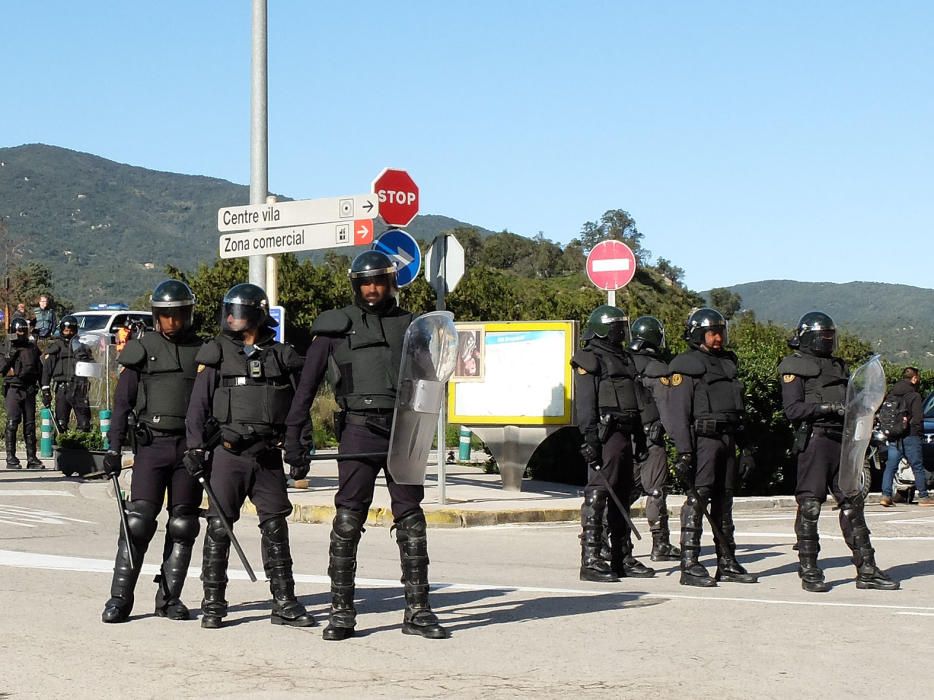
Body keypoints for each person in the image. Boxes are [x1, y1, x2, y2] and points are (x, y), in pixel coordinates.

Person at [284, 250, 448, 640]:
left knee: (411, 517)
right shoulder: (335, 326)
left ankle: (419, 610)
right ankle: (341, 611)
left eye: (378, 281)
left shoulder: (412, 327)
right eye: (364, 283)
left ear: (391, 282)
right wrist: (295, 438)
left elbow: (430, 381)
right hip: (357, 427)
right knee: (348, 517)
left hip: (402, 427)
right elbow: (306, 388)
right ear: (355, 285)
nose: (372, 289)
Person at [184, 283, 314, 629]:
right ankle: (213, 603)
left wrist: (302, 446)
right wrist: (194, 448)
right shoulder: (216, 354)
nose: (231, 317)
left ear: (257, 314)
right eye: (229, 311)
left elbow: (300, 407)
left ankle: (284, 601)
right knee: (219, 527)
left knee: (275, 526)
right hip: (228, 455)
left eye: (238, 311)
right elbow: (197, 407)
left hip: (268, 456)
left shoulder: (281, 354)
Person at [100, 280, 205, 623]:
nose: (172, 323)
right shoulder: (142, 349)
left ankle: (169, 598)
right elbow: (121, 404)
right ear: (157, 316)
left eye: (178, 316)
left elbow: (214, 405)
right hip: (152, 446)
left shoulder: (204, 353)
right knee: (137, 521)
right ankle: (119, 599)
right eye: (166, 316)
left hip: (188, 450)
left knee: (183, 524)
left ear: (188, 314)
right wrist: (113, 447)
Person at [778, 311, 899, 591]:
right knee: (810, 505)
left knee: (853, 505)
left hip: (843, 440)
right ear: (810, 337)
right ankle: (808, 568)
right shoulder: (793, 365)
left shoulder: (838, 366)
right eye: (824, 336)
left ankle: (867, 568)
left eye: (831, 336)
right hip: (816, 439)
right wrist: (829, 409)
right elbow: (793, 410)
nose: (828, 341)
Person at [664, 308, 758, 587]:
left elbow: (739, 411)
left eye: (721, 332)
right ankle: (690, 564)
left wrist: (748, 448)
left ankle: (727, 562)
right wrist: (684, 451)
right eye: (712, 333)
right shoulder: (685, 365)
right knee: (698, 499)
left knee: (724, 502)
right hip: (703, 441)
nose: (718, 338)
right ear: (698, 334)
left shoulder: (728, 363)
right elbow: (677, 413)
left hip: (728, 440)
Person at [571, 305, 654, 583]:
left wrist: (641, 438)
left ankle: (621, 556)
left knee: (622, 492)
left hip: (626, 433)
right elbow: (585, 405)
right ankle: (591, 558)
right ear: (605, 327)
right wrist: (590, 438)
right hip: (606, 435)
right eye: (618, 326)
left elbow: (636, 400)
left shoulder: (625, 358)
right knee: (599, 491)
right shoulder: (590, 359)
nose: (622, 331)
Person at [628, 315, 680, 561]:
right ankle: (661, 544)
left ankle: (609, 538)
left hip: (625, 436)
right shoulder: (657, 368)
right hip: (650, 436)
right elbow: (666, 406)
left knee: (626, 488)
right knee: (656, 490)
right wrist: (681, 441)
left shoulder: (624, 363)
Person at [880, 367, 932, 507]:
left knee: (891, 466)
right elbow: (917, 418)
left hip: (894, 436)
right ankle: (923, 496)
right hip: (910, 436)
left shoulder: (892, 394)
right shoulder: (914, 396)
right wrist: (916, 431)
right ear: (914, 378)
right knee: (917, 466)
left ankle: (886, 496)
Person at [2, 317, 44, 469]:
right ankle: (11, 458)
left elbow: (39, 369)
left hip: (29, 388)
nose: (21, 333)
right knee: (12, 423)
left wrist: (44, 388)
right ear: (13, 331)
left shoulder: (32, 347)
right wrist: (11, 353)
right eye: (18, 330)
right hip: (13, 388)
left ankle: (32, 458)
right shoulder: (6, 347)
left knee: (30, 425)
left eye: (24, 330)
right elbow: (2, 369)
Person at [40, 315, 93, 433]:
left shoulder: (83, 347)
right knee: (61, 424)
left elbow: (92, 367)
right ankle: (62, 447)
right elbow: (47, 370)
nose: (68, 332)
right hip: (62, 388)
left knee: (84, 424)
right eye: (66, 330)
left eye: (71, 330)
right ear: (62, 330)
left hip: (79, 388)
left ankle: (82, 448)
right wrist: (45, 389)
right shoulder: (55, 347)